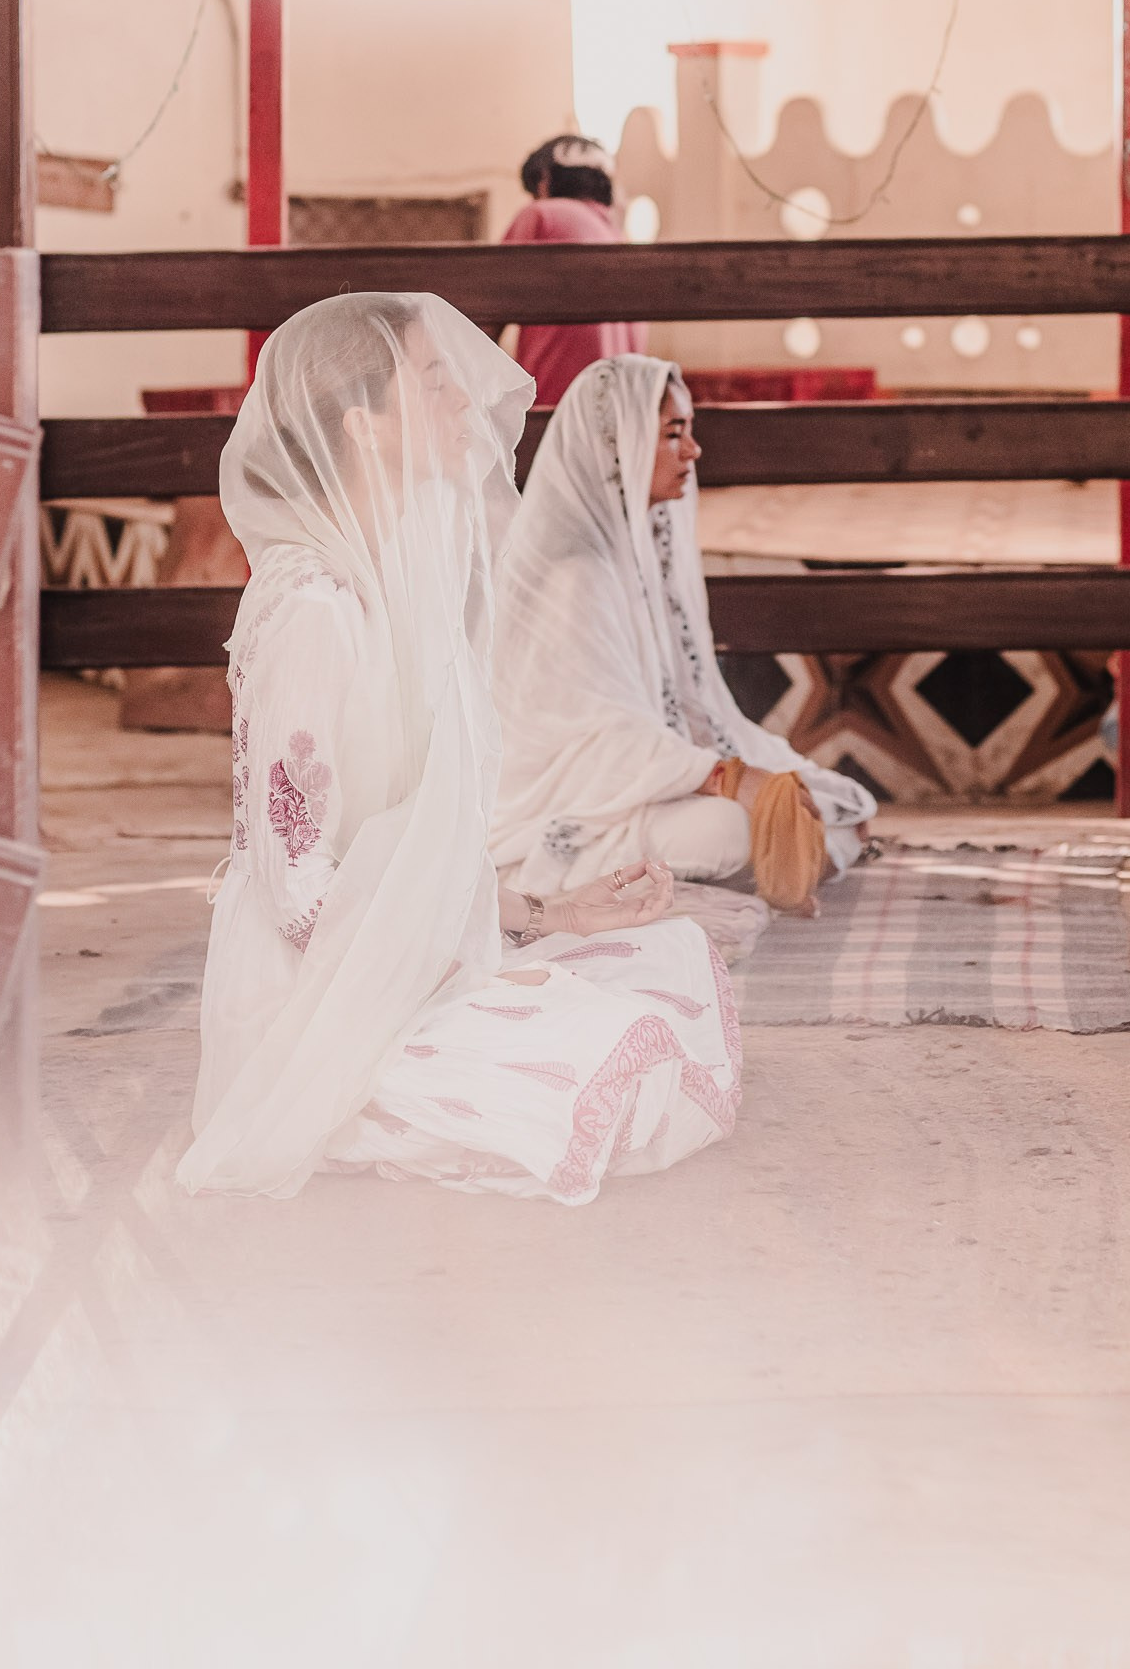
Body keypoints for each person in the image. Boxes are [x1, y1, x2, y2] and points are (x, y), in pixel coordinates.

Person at [177, 294, 740, 1203]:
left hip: (388, 943)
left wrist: (544, 915)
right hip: (316, 995)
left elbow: (396, 849)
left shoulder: (389, 581)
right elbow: (295, 882)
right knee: (603, 1061)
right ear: (365, 427)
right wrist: (449, 969)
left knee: (661, 962)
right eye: (434, 384)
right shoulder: (314, 610)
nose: (464, 405)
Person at [492, 354, 876, 918]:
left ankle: (729, 867)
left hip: (652, 778)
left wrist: (749, 775)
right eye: (675, 434)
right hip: (570, 802)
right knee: (728, 830)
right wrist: (727, 780)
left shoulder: (633, 557)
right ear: (618, 441)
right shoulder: (575, 573)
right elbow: (603, 740)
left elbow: (687, 714)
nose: (693, 451)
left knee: (841, 804)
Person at [499, 133, 646, 409]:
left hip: (556, 409)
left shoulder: (542, 214)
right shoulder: (616, 236)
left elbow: (490, 304)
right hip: (620, 414)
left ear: (544, 180)